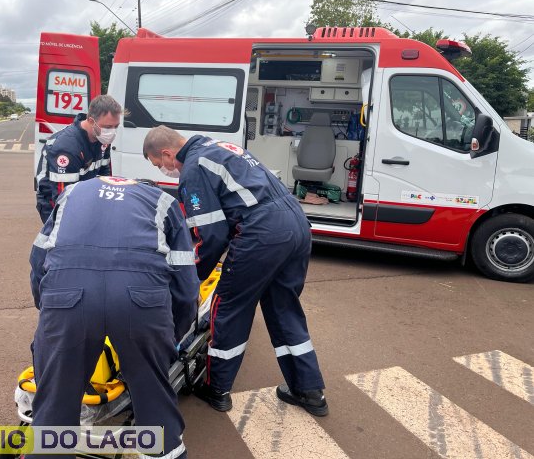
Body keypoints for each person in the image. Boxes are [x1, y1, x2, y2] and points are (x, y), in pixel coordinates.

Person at [143, 125, 328, 417]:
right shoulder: (218, 147)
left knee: (229, 306)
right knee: (284, 308)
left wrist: (192, 276)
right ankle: (309, 391)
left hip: (263, 233)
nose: (164, 170)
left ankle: (217, 389)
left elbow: (211, 235)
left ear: (167, 153)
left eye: (158, 164)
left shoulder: (193, 168)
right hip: (295, 224)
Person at [28, 175, 199, 459]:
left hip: (67, 293)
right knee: (153, 395)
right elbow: (186, 287)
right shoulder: (164, 201)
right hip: (141, 298)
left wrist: (48, 311)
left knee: (55, 399)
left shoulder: (72, 193)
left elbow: (38, 260)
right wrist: (170, 338)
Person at [35, 95, 122, 223]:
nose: (112, 132)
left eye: (116, 126)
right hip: (54, 203)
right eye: (108, 127)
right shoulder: (67, 148)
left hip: (83, 195)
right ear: (91, 121)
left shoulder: (101, 138)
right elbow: (63, 198)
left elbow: (105, 174)